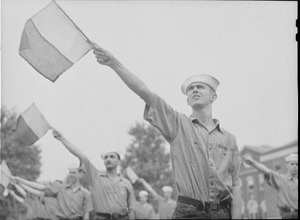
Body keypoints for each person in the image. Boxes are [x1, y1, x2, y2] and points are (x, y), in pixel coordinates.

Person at [92, 44, 242, 219]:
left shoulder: (229, 139)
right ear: (187, 101)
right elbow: (146, 93)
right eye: (190, 89)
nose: (194, 90)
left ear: (213, 96)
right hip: (190, 212)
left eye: (200, 87)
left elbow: (236, 184)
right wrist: (114, 63)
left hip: (221, 212)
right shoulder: (178, 124)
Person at [52, 129, 136, 220]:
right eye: (106, 157)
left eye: (112, 157)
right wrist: (61, 138)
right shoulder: (96, 177)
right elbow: (81, 156)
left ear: (119, 161)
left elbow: (131, 209)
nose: (108, 159)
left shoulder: (126, 183)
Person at [12, 166, 93, 220]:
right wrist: (21, 181)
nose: (71, 175)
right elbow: (38, 188)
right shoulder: (60, 190)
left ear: (80, 175)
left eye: (74, 173)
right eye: (70, 173)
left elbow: (86, 213)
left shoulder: (86, 194)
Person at [242, 153, 298, 219]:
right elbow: (266, 171)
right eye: (292, 164)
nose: (295, 166)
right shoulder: (281, 179)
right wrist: (252, 162)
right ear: (287, 165)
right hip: (289, 214)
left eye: (297, 164)